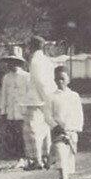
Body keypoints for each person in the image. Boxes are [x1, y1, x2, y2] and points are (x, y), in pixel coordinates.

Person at [47, 66, 84, 179]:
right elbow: (47, 115)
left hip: (71, 131)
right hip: (58, 132)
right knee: (61, 156)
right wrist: (55, 126)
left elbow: (79, 114)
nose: (60, 81)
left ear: (68, 79)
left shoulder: (74, 96)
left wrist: (76, 128)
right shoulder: (51, 97)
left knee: (69, 159)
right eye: (57, 79)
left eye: (62, 79)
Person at [25, 35, 57, 170]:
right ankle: (45, 156)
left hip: (37, 99)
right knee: (44, 129)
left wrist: (45, 98)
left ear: (32, 46)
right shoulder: (46, 60)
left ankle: (36, 160)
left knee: (32, 130)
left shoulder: (36, 60)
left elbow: (40, 81)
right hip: (44, 98)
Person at [0, 53, 32, 162]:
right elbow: (4, 95)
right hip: (11, 111)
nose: (10, 65)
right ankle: (17, 156)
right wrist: (3, 112)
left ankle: (27, 156)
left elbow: (30, 94)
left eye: (13, 62)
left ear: (18, 63)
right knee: (13, 134)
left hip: (23, 111)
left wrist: (29, 109)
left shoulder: (26, 77)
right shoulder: (6, 78)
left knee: (24, 134)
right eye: (9, 62)